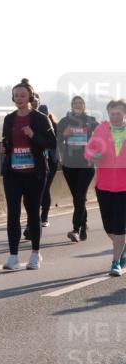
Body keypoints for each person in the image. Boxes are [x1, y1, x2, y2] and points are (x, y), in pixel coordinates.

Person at [1, 79, 56, 270]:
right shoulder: (9, 118)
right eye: (16, 95)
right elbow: (7, 141)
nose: (19, 99)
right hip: (13, 173)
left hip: (35, 174)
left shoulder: (40, 118)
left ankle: (35, 254)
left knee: (33, 213)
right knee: (13, 214)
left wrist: (33, 135)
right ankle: (13, 256)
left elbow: (52, 143)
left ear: (30, 97)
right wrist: (5, 147)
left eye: (23, 95)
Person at [84, 99, 126, 277]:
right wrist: (94, 155)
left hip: (124, 187)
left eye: (118, 113)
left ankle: (116, 262)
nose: (115, 117)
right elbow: (88, 149)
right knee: (108, 227)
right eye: (112, 113)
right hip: (104, 185)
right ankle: (122, 248)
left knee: (119, 226)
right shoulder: (101, 129)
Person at [57, 96, 99, 242]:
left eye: (80, 103)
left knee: (80, 196)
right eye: (75, 103)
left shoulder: (91, 121)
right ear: (71, 105)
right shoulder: (64, 121)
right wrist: (64, 134)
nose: (78, 105)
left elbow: (103, 134)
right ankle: (84, 224)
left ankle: (75, 229)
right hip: (69, 165)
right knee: (78, 198)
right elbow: (55, 140)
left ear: (84, 105)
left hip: (86, 165)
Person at [37, 103, 61, 227]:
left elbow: (55, 143)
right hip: (40, 160)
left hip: (51, 160)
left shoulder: (54, 126)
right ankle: (38, 217)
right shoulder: (35, 124)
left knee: (45, 188)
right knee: (39, 189)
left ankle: (44, 217)